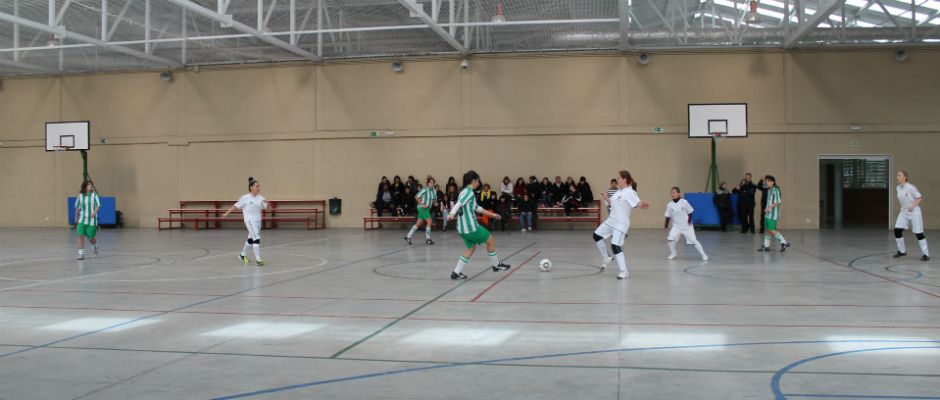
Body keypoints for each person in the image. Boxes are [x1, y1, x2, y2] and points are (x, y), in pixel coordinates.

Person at [447, 170, 511, 279]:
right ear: (474, 180)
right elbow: (459, 204)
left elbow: (477, 208)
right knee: (489, 239)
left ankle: (456, 272)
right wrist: (451, 213)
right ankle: (496, 265)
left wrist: (492, 215)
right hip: (471, 227)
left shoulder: (463, 192)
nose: (479, 183)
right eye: (478, 180)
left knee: (471, 249)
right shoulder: (468, 192)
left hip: (462, 229)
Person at [592, 170, 650, 279]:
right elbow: (611, 203)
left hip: (621, 224)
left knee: (615, 245)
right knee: (596, 235)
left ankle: (624, 271)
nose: (617, 180)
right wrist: (606, 197)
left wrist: (643, 205)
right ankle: (607, 257)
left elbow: (638, 202)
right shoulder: (618, 191)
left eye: (619, 178)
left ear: (625, 179)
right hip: (611, 221)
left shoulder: (629, 192)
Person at [223, 177, 269, 266]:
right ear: (251, 187)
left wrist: (269, 204)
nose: (258, 188)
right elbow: (235, 206)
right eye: (256, 186)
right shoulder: (245, 198)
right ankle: (258, 259)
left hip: (258, 221)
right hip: (249, 220)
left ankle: (242, 255)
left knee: (251, 239)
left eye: (259, 186)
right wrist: (226, 213)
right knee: (256, 238)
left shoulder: (261, 198)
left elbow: (267, 208)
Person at [664, 187, 708, 261]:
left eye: (674, 192)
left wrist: (689, 220)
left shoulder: (684, 202)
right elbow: (667, 216)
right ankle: (673, 253)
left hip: (687, 226)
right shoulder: (669, 205)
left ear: (678, 193)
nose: (673, 194)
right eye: (671, 192)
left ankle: (704, 255)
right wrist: (666, 226)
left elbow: (690, 212)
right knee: (670, 239)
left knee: (694, 241)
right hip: (676, 226)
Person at [893, 171, 929, 261]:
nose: (897, 177)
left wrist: (912, 206)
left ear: (905, 177)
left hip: (914, 212)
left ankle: (926, 254)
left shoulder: (911, 187)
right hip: (904, 212)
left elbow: (919, 197)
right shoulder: (898, 188)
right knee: (897, 230)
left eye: (899, 175)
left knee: (918, 233)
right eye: (897, 175)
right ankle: (902, 251)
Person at [757, 175, 790, 252]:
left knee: (771, 229)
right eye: (766, 181)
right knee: (767, 230)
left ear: (772, 182)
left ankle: (784, 242)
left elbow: (777, 202)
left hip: (773, 214)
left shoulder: (776, 190)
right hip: (768, 213)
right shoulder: (769, 190)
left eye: (768, 181)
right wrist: (767, 208)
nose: (766, 183)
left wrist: (769, 208)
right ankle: (766, 245)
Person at [405, 177, 438, 245]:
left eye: (433, 182)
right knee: (430, 221)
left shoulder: (434, 191)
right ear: (428, 183)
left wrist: (435, 203)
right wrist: (422, 204)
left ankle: (408, 236)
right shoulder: (424, 190)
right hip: (422, 208)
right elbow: (416, 197)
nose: (432, 183)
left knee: (418, 223)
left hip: (427, 209)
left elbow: (434, 199)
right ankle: (428, 239)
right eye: (431, 182)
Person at [75, 180, 101, 260]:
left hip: (92, 221)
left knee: (91, 238)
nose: (91, 186)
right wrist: (76, 218)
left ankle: (95, 247)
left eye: (91, 184)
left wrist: (95, 212)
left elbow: (98, 205)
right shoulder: (80, 196)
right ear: (85, 186)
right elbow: (77, 208)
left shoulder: (94, 195)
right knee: (80, 236)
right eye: (89, 184)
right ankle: (81, 254)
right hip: (82, 220)